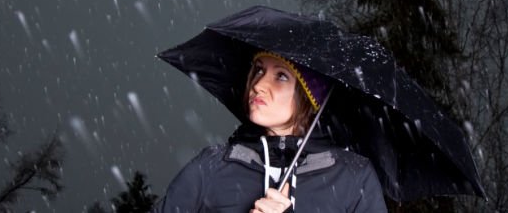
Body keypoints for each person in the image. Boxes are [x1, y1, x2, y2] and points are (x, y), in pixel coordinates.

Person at [156, 51, 388, 213]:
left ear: (309, 97)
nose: (258, 85)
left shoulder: (353, 176)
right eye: (258, 71)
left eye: (281, 76)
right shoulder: (212, 166)